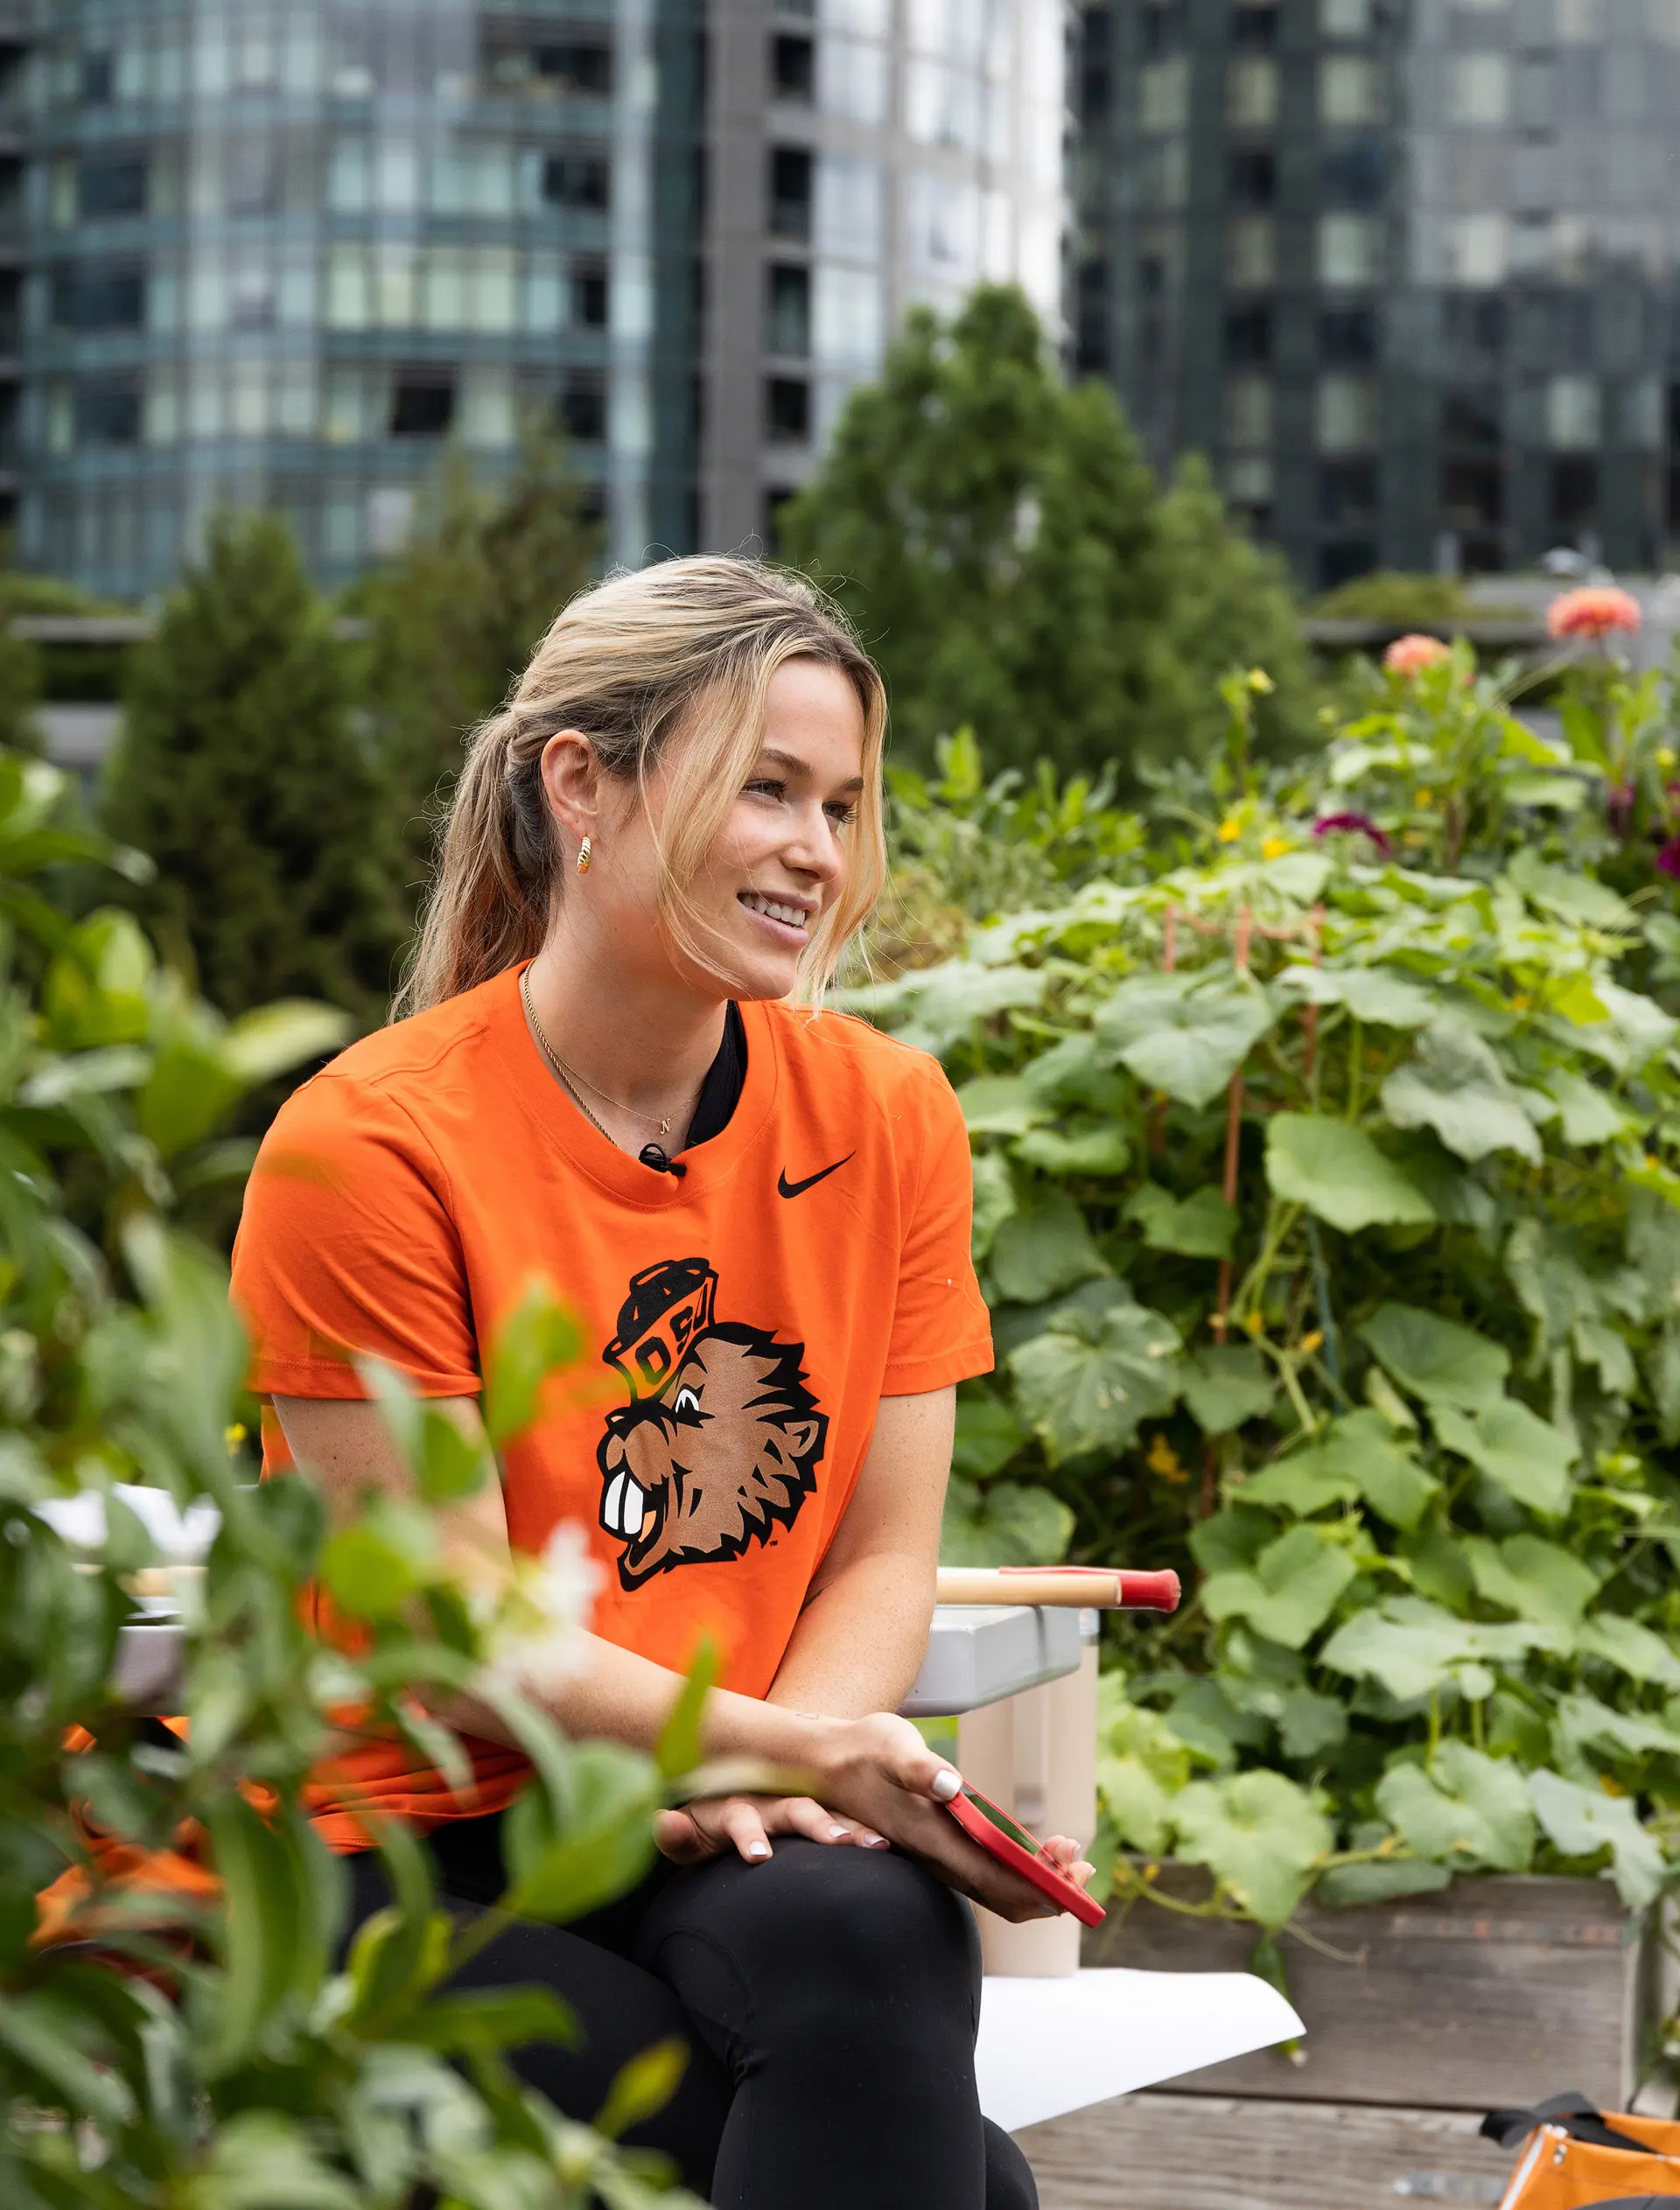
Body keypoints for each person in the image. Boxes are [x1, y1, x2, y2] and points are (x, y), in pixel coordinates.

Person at [231, 556, 1094, 2208]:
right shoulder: (369, 1147)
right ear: (583, 786)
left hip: (714, 1799)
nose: (818, 852)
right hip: (403, 1844)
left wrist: (788, 1756)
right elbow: (458, 1630)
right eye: (765, 787)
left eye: (840, 803)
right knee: (963, 2180)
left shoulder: (888, 1115)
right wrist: (773, 1749)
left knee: (872, 1922)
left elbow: (879, 1553)